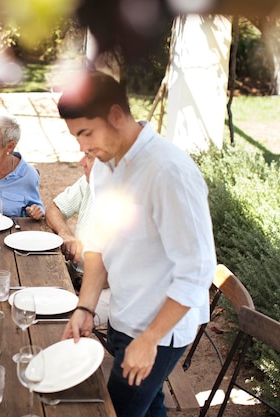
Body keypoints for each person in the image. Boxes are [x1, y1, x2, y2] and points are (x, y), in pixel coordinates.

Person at [58, 71, 216, 417]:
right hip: (123, 313)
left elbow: (197, 270)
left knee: (115, 409)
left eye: (86, 132)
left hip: (160, 329)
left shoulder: (169, 172)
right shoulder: (102, 166)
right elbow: (100, 242)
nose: (82, 148)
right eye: (76, 137)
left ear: (116, 115)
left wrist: (150, 340)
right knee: (149, 405)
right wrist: (86, 307)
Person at [45, 152, 110, 325]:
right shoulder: (90, 183)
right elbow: (54, 208)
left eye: (89, 157)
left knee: (56, 321)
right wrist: (65, 234)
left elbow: (117, 279)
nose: (81, 162)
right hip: (75, 276)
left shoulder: (128, 203)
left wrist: (80, 286)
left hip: (107, 291)